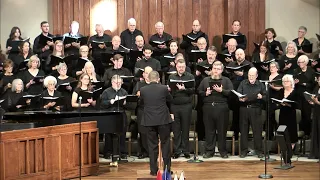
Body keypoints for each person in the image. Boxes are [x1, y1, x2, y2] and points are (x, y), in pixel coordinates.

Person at [197, 61, 233, 158]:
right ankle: (209, 151)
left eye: (218, 69)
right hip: (208, 108)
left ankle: (223, 151)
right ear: (211, 69)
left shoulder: (226, 80)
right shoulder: (205, 80)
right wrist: (206, 93)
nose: (216, 71)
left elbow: (231, 92)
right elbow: (199, 91)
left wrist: (222, 91)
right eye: (214, 68)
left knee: (222, 130)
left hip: (222, 108)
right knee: (209, 130)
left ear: (221, 70)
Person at [140, 71, 173, 176]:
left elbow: (141, 102)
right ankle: (167, 170)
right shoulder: (164, 88)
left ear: (148, 79)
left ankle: (153, 170)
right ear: (158, 79)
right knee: (165, 144)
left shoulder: (143, 90)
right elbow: (170, 99)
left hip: (149, 121)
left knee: (152, 146)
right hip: (163, 120)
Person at [168, 59, 195, 159]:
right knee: (176, 129)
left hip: (186, 105)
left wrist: (185, 89)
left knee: (185, 128)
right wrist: (169, 89)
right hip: (175, 105)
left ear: (185, 67)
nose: (181, 69)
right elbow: (169, 91)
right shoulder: (171, 77)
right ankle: (177, 150)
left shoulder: (190, 76)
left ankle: (186, 150)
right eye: (179, 67)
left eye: (183, 67)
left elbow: (193, 90)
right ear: (176, 67)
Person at [237, 67, 266, 158]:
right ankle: (244, 151)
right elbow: (238, 93)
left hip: (256, 109)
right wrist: (240, 98)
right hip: (244, 109)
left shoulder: (260, 85)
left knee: (257, 131)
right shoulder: (243, 83)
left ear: (256, 75)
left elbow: (266, 96)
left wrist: (262, 97)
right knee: (244, 130)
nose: (251, 77)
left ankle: (259, 151)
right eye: (249, 75)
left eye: (253, 75)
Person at [227, 49, 253, 139]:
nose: (239, 56)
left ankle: (244, 135)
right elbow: (227, 75)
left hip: (244, 92)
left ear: (244, 55)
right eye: (237, 54)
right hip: (233, 93)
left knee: (243, 115)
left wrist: (243, 74)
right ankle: (235, 133)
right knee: (235, 114)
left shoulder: (249, 64)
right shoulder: (231, 64)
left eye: (241, 54)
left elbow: (253, 76)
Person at [100, 75, 128, 159]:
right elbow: (102, 104)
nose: (118, 84)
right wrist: (110, 101)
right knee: (109, 134)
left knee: (122, 133)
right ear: (112, 82)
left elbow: (130, 105)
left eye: (120, 83)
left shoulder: (123, 91)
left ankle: (122, 152)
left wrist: (125, 103)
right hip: (110, 114)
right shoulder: (106, 92)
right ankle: (108, 152)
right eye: (116, 83)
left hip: (121, 114)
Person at [274, 74, 299, 162]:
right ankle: (284, 151)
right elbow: (276, 100)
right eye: (284, 81)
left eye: (287, 81)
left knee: (291, 132)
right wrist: (279, 103)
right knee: (282, 132)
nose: (285, 83)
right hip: (283, 113)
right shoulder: (281, 91)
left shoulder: (295, 92)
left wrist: (288, 104)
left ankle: (290, 151)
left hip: (291, 114)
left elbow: (297, 104)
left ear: (291, 82)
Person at [132, 66, 153, 159]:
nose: (148, 75)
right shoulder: (139, 84)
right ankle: (143, 151)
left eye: (150, 73)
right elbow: (133, 97)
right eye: (146, 73)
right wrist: (137, 95)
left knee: (151, 131)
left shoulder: (155, 84)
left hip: (152, 111)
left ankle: (151, 151)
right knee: (142, 131)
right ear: (143, 74)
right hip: (142, 110)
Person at [293, 55, 315, 137]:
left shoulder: (311, 71)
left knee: (306, 113)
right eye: (298, 62)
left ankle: (307, 133)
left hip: (307, 94)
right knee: (299, 113)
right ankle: (300, 132)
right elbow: (293, 81)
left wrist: (305, 83)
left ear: (305, 62)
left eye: (301, 62)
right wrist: (294, 82)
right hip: (298, 94)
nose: (300, 64)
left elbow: (313, 84)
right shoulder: (296, 71)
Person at [267, 62, 283, 139]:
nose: (271, 68)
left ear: (277, 68)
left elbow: (282, 88)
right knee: (269, 119)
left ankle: (278, 137)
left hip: (276, 99)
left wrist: (274, 88)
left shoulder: (280, 77)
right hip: (268, 100)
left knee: (277, 118)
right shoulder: (267, 76)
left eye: (273, 67)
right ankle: (269, 136)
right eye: (270, 67)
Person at [308, 74, 320, 160]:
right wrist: (312, 102)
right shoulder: (317, 88)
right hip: (316, 112)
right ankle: (316, 153)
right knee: (316, 131)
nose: (319, 82)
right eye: (318, 80)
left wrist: (317, 102)